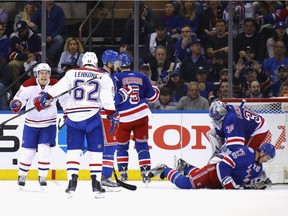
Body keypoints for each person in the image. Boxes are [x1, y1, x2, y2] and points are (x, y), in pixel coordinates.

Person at [33, 52, 126, 198]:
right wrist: (112, 114)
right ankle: (96, 185)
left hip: (73, 118)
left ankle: (72, 184)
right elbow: (107, 100)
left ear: (83, 63)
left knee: (73, 151)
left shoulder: (72, 73)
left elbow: (58, 89)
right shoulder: (104, 77)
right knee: (95, 152)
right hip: (92, 118)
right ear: (95, 63)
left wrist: (46, 96)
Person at [9, 63, 68, 189]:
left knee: (44, 150)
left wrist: (67, 112)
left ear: (49, 74)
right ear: (37, 74)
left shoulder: (55, 84)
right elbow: (19, 99)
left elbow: (65, 101)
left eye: (46, 73)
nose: (44, 75)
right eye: (41, 72)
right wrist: (16, 104)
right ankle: (22, 174)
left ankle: (42, 176)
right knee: (28, 152)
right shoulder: (28, 84)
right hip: (31, 123)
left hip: (49, 123)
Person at [113, 52, 160, 185]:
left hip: (124, 118)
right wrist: (156, 88)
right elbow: (153, 98)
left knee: (122, 147)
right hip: (141, 115)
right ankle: (145, 174)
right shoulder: (142, 76)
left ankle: (123, 174)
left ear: (119, 64)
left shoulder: (115, 77)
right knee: (142, 145)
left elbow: (112, 98)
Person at [146, 143, 275, 190]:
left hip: (218, 183)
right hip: (213, 173)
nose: (266, 160)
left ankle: (185, 166)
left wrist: (257, 183)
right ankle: (164, 169)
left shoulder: (259, 168)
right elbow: (224, 165)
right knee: (187, 184)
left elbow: (244, 181)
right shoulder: (246, 152)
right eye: (267, 157)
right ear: (262, 151)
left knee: (195, 177)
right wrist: (227, 181)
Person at [8, 20, 42, 97]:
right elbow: (11, 55)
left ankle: (34, 94)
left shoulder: (36, 38)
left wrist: (34, 57)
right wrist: (26, 56)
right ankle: (19, 91)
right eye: (19, 31)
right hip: (20, 62)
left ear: (27, 29)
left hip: (32, 62)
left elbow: (41, 54)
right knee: (11, 64)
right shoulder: (14, 38)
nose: (21, 33)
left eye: (22, 31)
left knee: (34, 65)